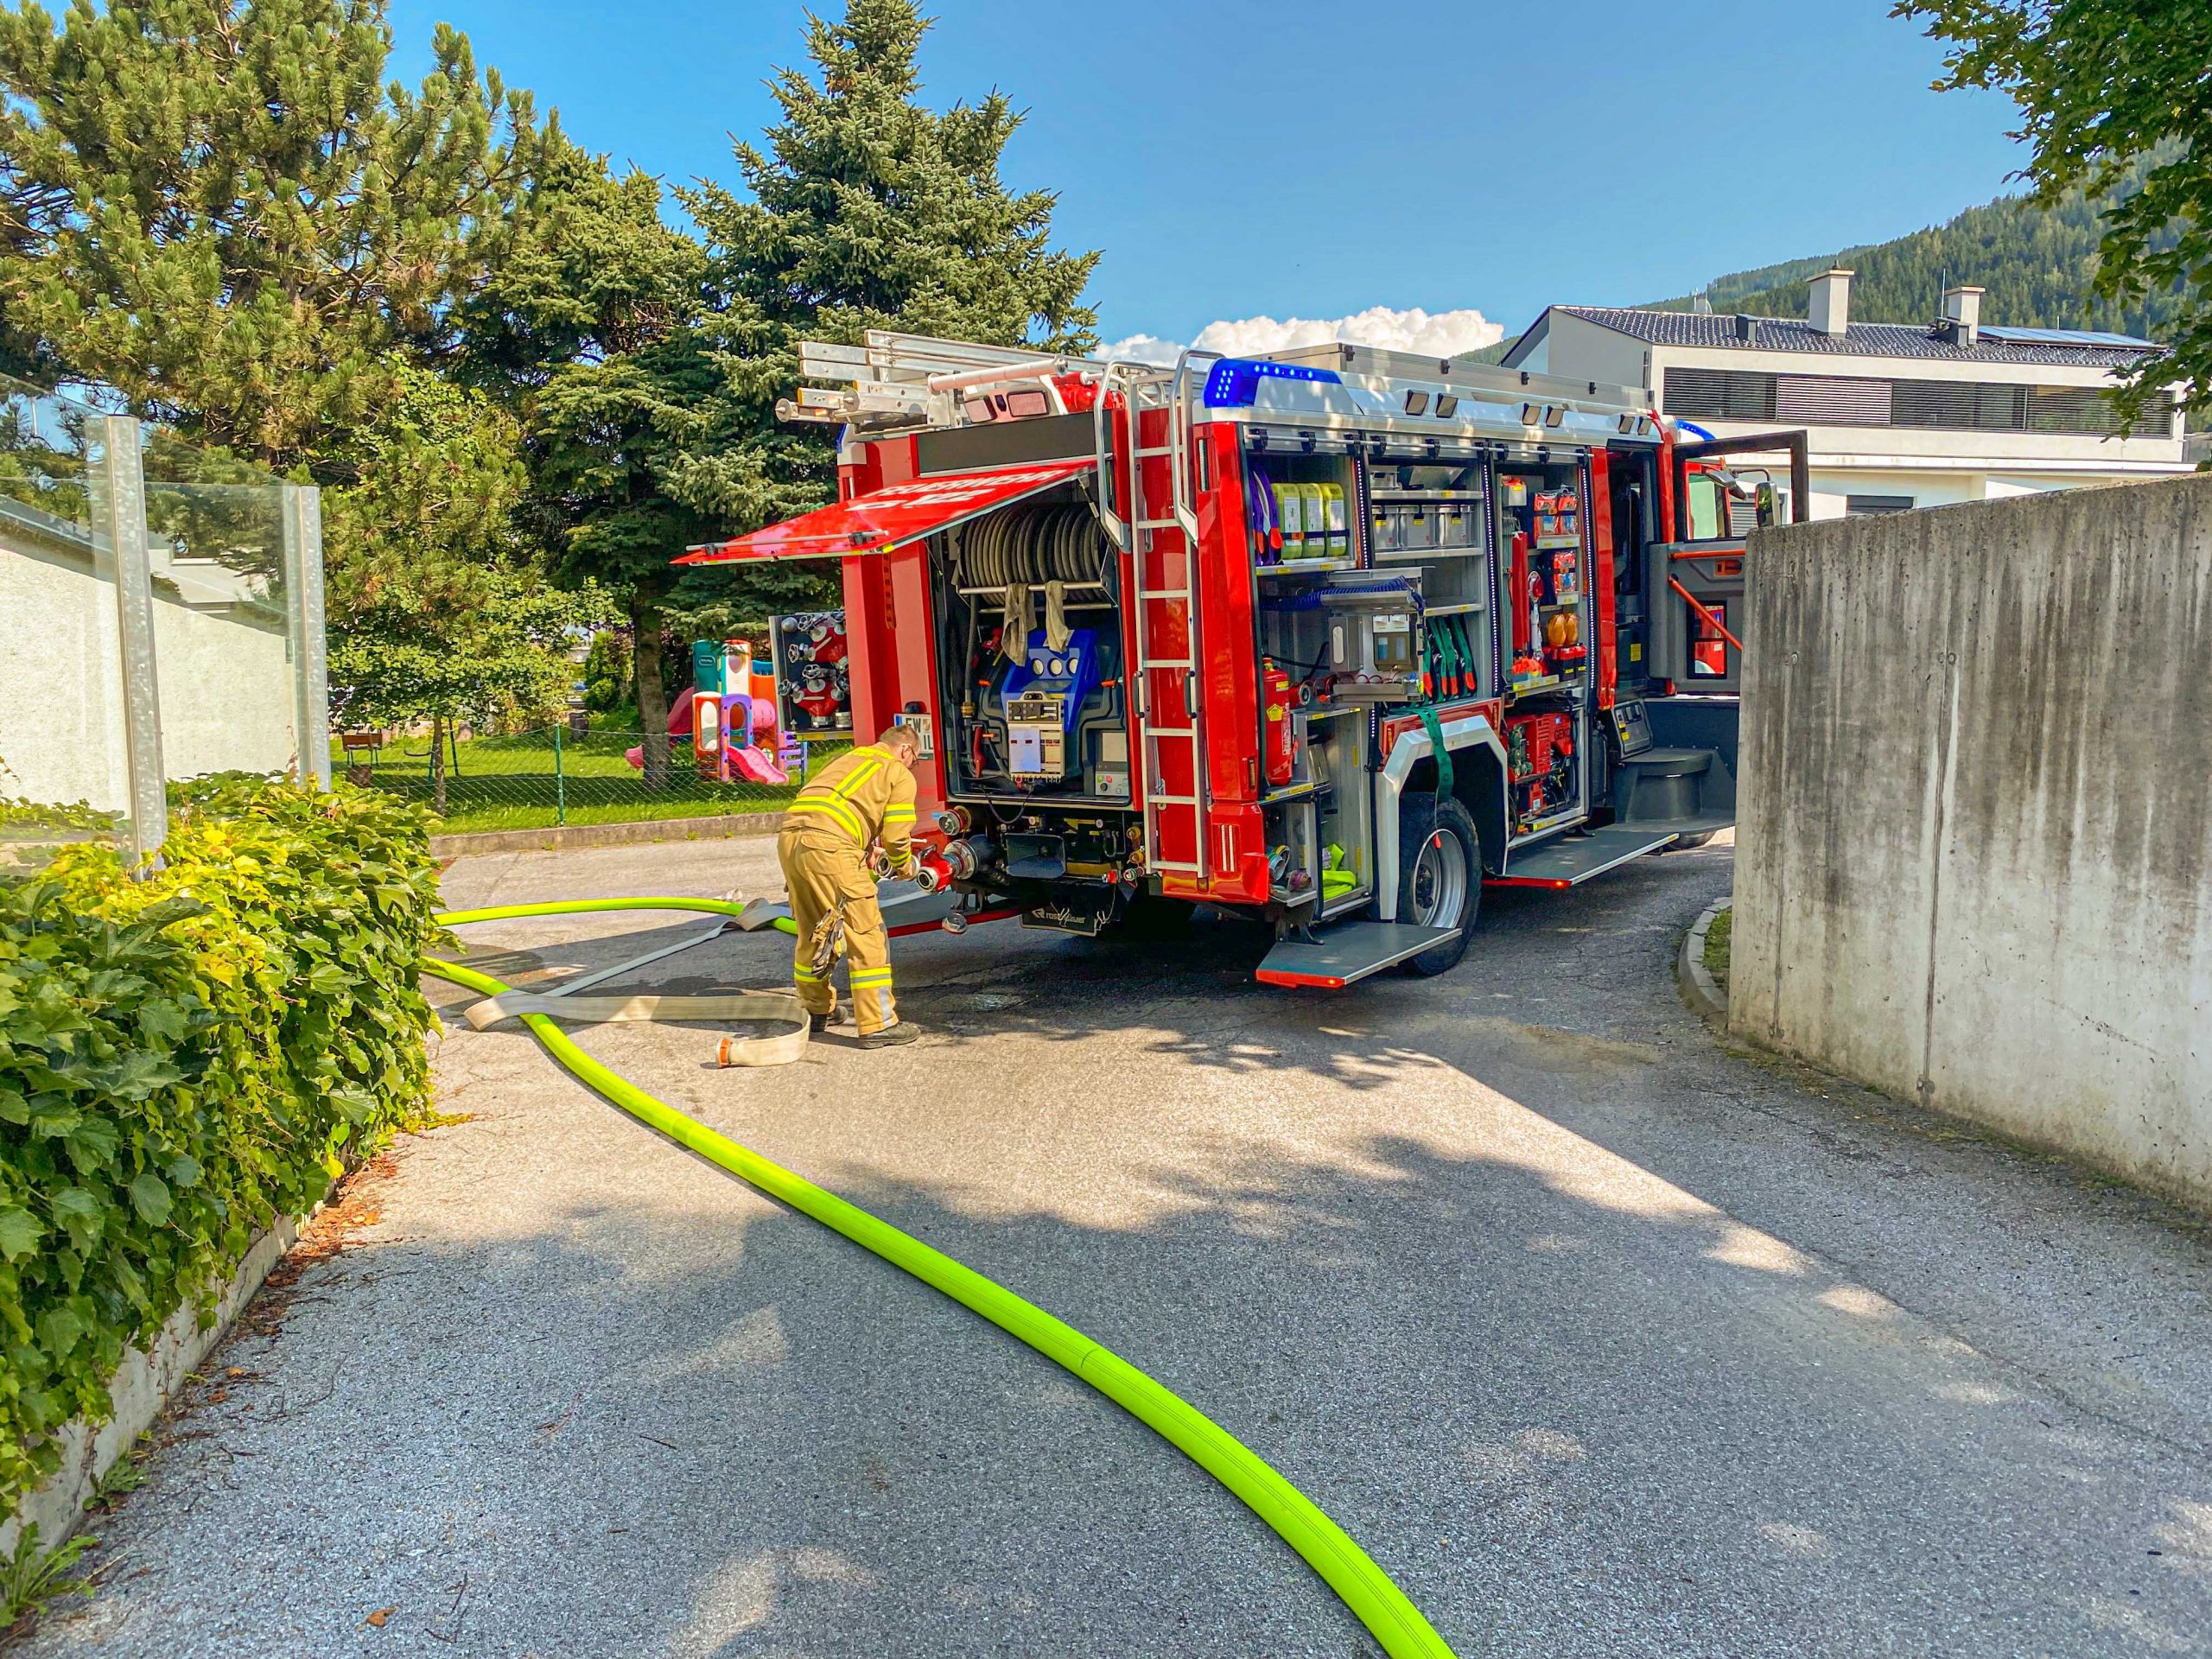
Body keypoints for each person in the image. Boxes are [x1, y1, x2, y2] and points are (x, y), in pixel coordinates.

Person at [776, 722, 924, 1047]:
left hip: (791, 840)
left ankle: (816, 1010)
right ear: (906, 750)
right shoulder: (898, 773)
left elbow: (837, 806)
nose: (913, 766)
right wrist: (904, 865)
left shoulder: (846, 759)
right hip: (831, 847)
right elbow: (898, 836)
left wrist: (865, 846)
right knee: (867, 933)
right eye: (915, 759)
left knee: (814, 928)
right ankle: (877, 1024)